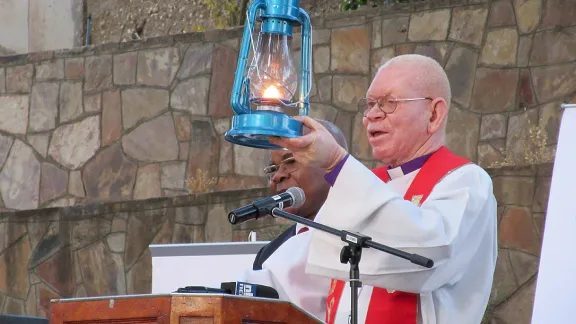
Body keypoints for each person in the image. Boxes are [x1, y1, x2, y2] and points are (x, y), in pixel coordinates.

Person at [269, 54, 498, 324]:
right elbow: (297, 269)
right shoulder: (366, 183)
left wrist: (336, 164)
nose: (371, 116)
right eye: (369, 104)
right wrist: (226, 289)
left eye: (389, 103)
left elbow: (425, 256)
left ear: (434, 114)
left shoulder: (466, 183)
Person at [240, 119, 349, 320]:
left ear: (330, 164)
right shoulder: (269, 253)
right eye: (272, 169)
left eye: (290, 162)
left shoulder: (361, 237)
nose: (277, 176)